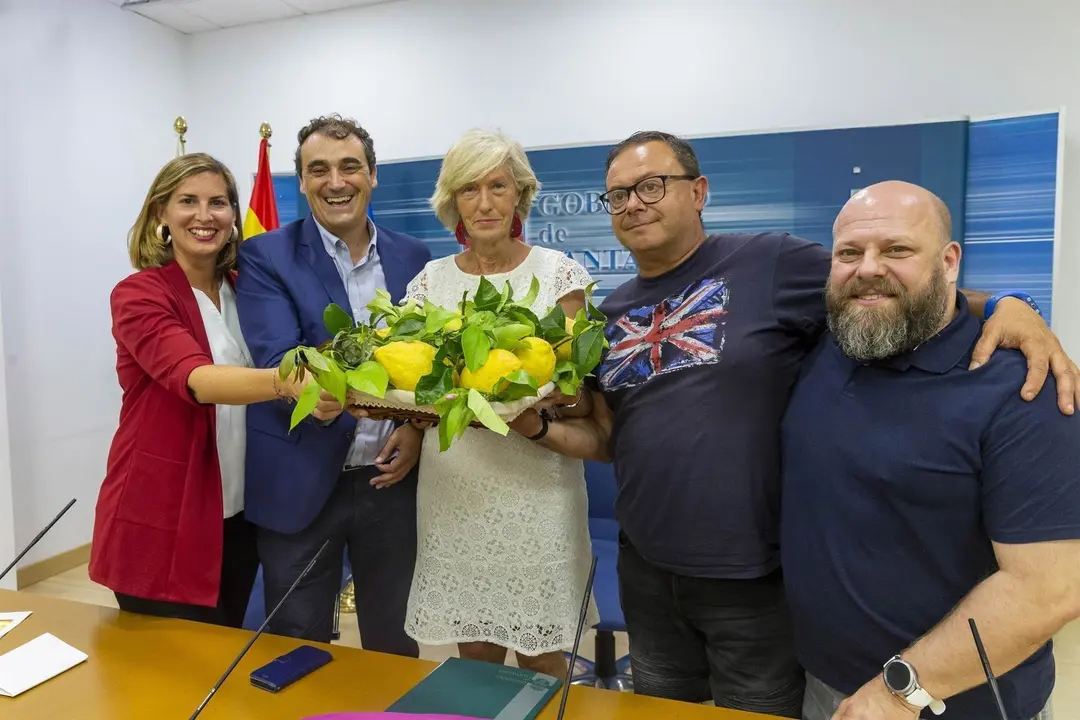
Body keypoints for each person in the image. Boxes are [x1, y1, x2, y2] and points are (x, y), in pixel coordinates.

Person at [508, 131, 1079, 716]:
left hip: (752, 578)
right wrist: (532, 426)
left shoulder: (768, 262)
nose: (635, 203)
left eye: (652, 185)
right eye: (619, 194)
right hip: (649, 571)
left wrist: (1011, 302)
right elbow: (611, 437)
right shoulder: (610, 314)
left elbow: (886, 291)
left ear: (698, 191)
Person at [782, 181, 1080, 720]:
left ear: (949, 261)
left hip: (949, 702)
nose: (868, 268)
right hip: (825, 685)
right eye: (850, 253)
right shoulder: (832, 340)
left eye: (896, 250)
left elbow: (1049, 589)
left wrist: (899, 692)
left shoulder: (1023, 389)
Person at [385, 128, 598, 678]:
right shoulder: (429, 283)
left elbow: (575, 390)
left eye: (498, 186)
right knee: (473, 654)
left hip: (537, 487)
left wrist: (529, 405)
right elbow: (413, 388)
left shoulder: (558, 275)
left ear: (520, 194)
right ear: (452, 200)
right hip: (455, 486)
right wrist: (405, 418)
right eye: (468, 188)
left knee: (540, 654)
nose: (484, 203)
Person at [235, 115, 430, 651]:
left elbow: (430, 364)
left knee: (396, 640)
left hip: (390, 483)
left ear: (372, 175)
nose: (335, 181)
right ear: (300, 181)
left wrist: (415, 426)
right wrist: (341, 387)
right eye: (317, 169)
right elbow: (282, 357)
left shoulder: (414, 257)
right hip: (299, 476)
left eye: (349, 167)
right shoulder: (265, 255)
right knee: (299, 640)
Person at [90, 153, 308, 628]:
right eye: (187, 201)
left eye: (219, 203)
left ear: (234, 217)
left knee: (222, 652)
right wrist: (294, 383)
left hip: (238, 513)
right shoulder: (139, 294)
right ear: (161, 214)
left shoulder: (246, 290)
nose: (204, 216)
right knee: (159, 675)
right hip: (164, 515)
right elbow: (197, 378)